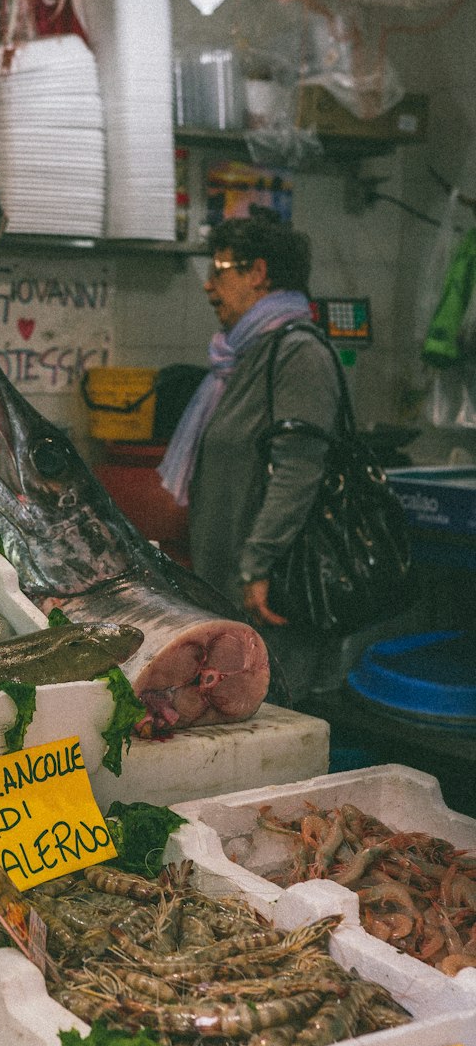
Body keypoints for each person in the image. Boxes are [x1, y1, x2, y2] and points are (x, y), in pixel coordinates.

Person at [159, 207, 342, 700]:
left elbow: (298, 469)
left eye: (218, 271)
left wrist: (257, 565)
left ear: (258, 273)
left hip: (270, 591)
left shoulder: (297, 352)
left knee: (280, 718)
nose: (207, 286)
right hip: (232, 587)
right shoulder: (239, 356)